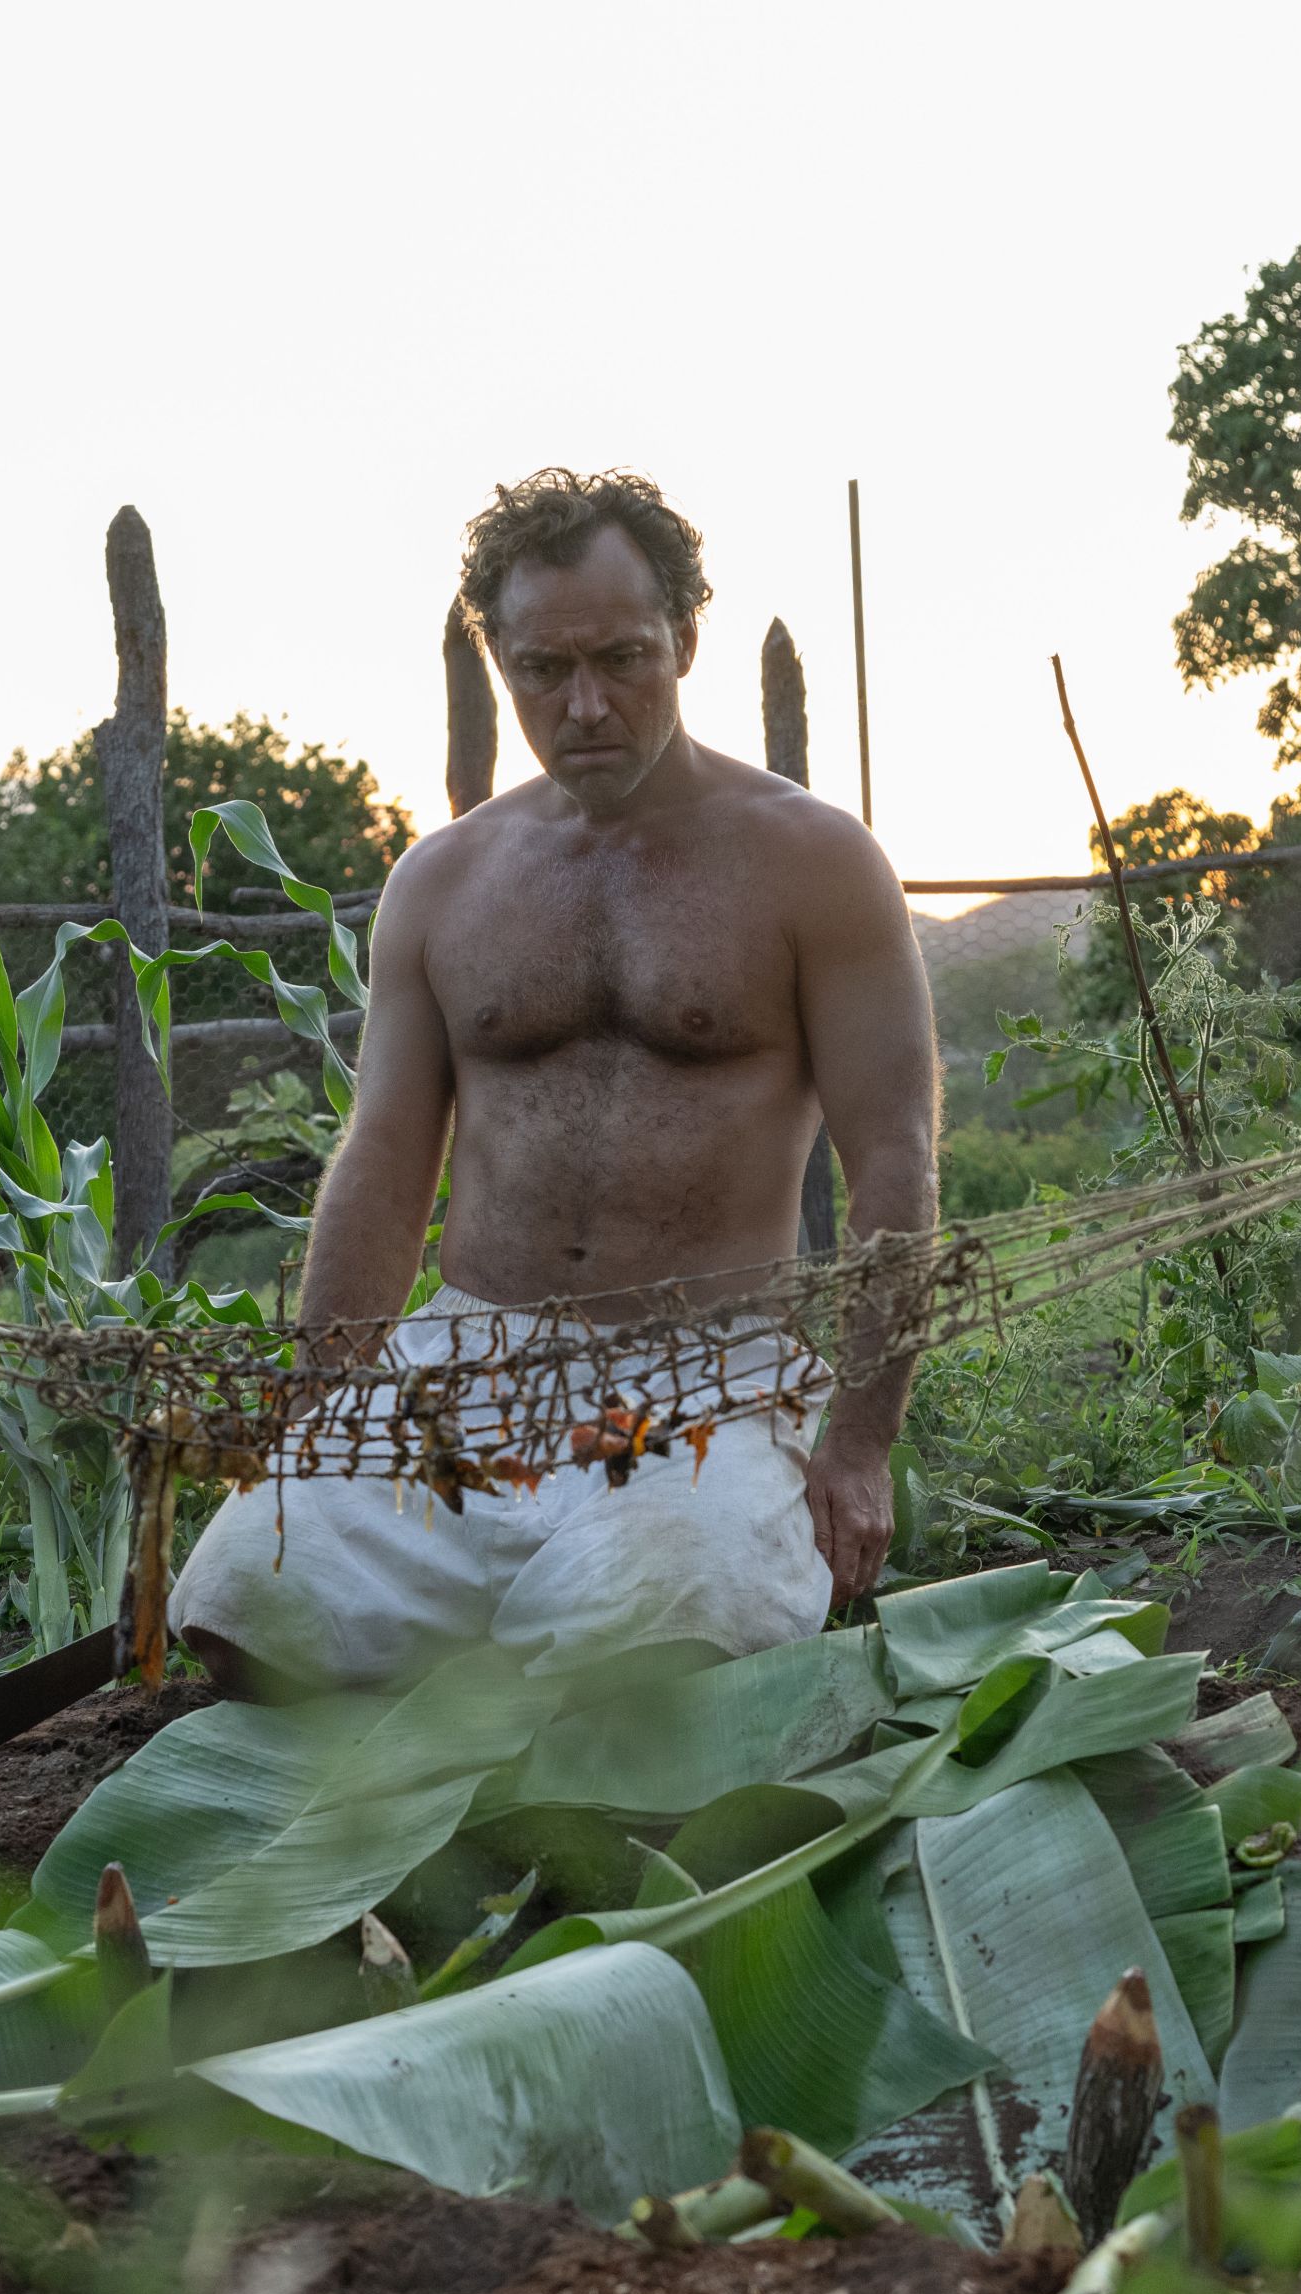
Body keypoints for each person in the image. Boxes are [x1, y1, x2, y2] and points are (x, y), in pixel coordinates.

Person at [168, 469, 938, 1697]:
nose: (585, 705)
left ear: (684, 641)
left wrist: (856, 1446)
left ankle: (590, 1617)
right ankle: (474, 1611)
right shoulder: (444, 880)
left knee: (644, 1652)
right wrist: (320, 1411)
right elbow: (383, 1159)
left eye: (623, 660)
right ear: (499, 662)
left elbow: (893, 1155)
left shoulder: (815, 863)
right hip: (466, 1360)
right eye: (543, 670)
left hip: (711, 1373)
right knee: (243, 1608)